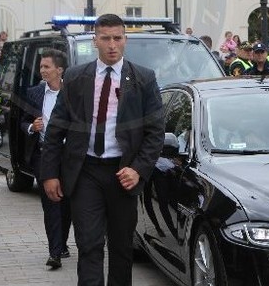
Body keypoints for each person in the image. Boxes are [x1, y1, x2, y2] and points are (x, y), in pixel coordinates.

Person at [40, 14, 164, 285]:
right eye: (105, 38)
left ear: (125, 40)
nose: (112, 45)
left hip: (123, 172)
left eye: (117, 38)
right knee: (89, 244)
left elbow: (155, 134)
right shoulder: (75, 78)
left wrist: (139, 170)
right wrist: (49, 173)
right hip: (85, 172)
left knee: (121, 247)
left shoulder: (143, 79)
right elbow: (56, 129)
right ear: (95, 40)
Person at [21, 49, 72, 269]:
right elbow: (21, 122)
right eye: (41, 67)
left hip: (69, 157)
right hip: (44, 155)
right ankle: (54, 252)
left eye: (46, 67)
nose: (42, 71)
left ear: (59, 70)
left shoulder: (72, 93)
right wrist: (32, 126)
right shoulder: (34, 94)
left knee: (66, 204)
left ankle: (61, 243)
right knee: (51, 203)